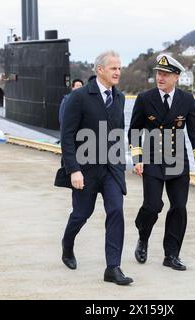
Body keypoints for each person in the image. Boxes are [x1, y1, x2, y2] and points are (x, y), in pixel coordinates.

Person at [58, 50, 133, 285]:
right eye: (113, 68)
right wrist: (74, 169)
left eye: (119, 68)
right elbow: (67, 135)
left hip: (112, 168)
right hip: (85, 169)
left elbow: (119, 132)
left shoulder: (119, 97)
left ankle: (113, 267)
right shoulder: (79, 97)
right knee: (82, 214)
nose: (118, 72)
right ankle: (67, 244)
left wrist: (122, 163)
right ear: (100, 70)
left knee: (116, 211)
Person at [128, 54, 195, 271]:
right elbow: (134, 131)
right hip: (152, 160)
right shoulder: (145, 98)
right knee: (152, 207)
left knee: (179, 208)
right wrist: (137, 158)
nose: (160, 78)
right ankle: (143, 236)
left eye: (165, 74)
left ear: (176, 77)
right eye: (158, 74)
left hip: (177, 161)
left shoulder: (187, 100)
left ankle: (171, 255)